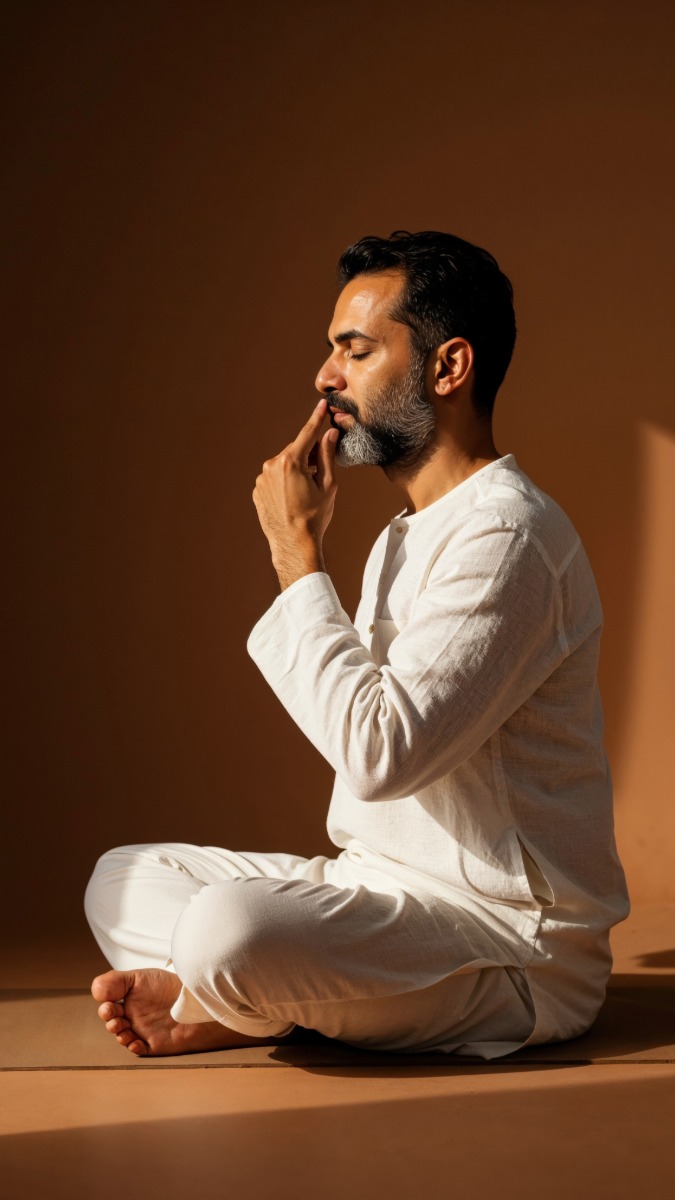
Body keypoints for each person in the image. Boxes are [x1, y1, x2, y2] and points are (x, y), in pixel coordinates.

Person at [85, 230, 629, 1059]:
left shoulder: (509, 536)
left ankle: (231, 993)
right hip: (375, 888)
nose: (325, 377)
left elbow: (379, 756)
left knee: (227, 929)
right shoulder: (406, 534)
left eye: (356, 350)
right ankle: (249, 994)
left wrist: (294, 554)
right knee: (123, 879)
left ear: (448, 368)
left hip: (508, 942)